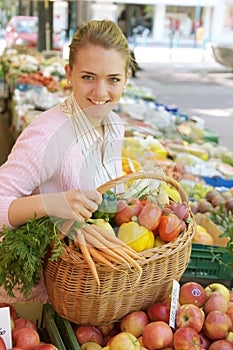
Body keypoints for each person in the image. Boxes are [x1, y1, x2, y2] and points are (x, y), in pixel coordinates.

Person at [0, 19, 132, 303]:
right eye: (87, 77)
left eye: (113, 79)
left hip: (88, 295)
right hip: (36, 300)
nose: (100, 92)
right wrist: (50, 205)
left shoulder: (115, 126)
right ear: (69, 74)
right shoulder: (48, 134)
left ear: (126, 78)